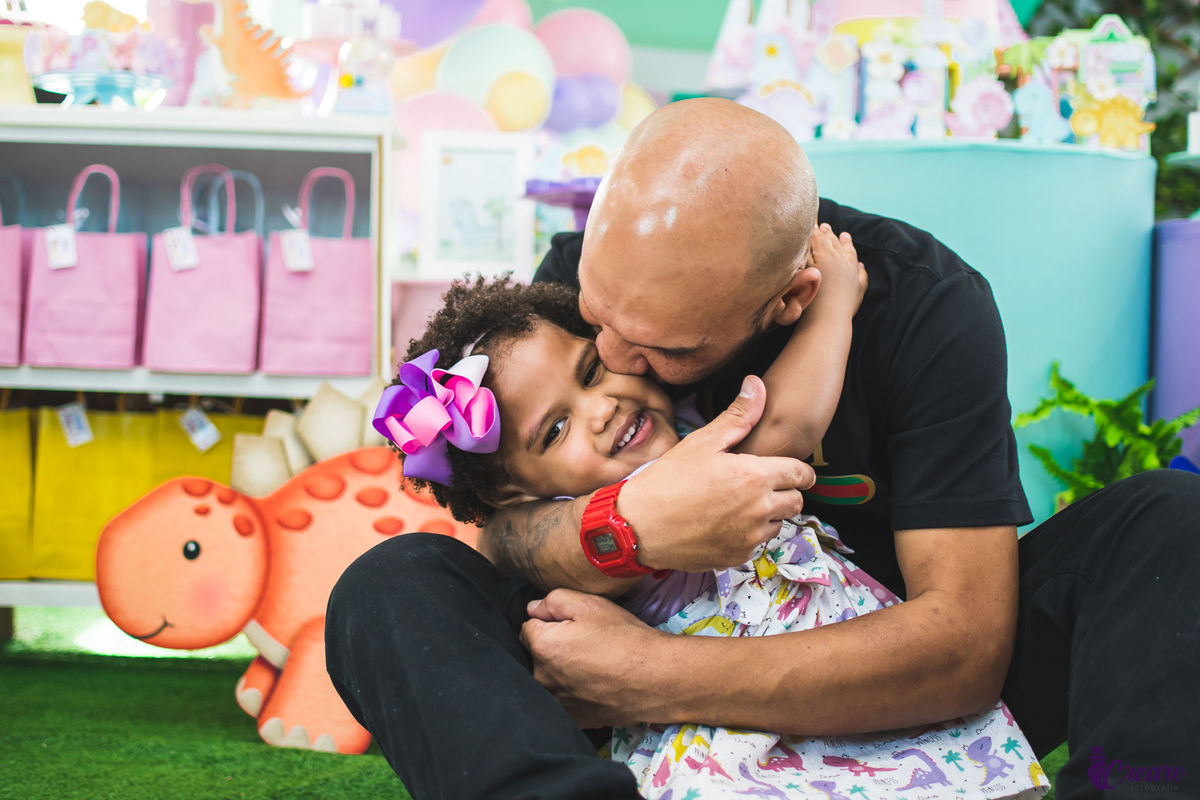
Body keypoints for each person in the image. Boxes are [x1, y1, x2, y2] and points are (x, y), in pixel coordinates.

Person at [327, 99, 1200, 800]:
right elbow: (506, 530)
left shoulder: (927, 309)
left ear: (794, 299)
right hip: (613, 669)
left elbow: (964, 646)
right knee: (388, 586)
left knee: (1172, 520)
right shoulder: (582, 292)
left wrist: (657, 674)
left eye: (665, 352)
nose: (621, 370)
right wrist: (626, 531)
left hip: (879, 679)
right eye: (599, 323)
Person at [360, 271, 1048, 800]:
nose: (603, 408)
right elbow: (786, 428)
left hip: (839, 675)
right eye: (556, 429)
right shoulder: (605, 502)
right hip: (730, 731)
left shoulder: (685, 425)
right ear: (519, 490)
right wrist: (835, 306)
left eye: (592, 372)